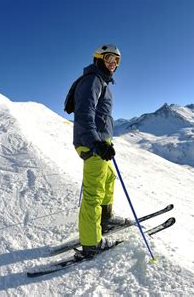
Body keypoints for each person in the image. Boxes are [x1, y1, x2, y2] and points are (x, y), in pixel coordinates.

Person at [71, 44, 127, 258]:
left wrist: (104, 141)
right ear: (98, 58)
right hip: (93, 143)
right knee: (93, 194)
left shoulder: (100, 81)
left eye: (117, 61)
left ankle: (104, 219)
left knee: (109, 178)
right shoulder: (93, 80)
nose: (113, 64)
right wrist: (96, 142)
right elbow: (84, 113)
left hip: (99, 143)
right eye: (109, 58)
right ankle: (91, 242)